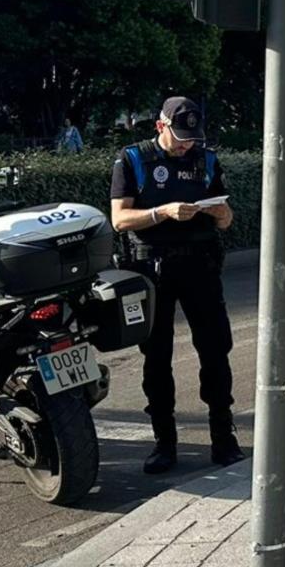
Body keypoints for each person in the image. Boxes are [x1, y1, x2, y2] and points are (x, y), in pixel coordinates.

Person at [108, 97, 241, 474]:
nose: (186, 145)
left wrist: (220, 212)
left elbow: (227, 221)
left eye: (192, 138)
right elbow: (119, 220)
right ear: (160, 126)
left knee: (215, 349)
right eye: (180, 137)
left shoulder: (206, 159)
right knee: (157, 355)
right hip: (153, 267)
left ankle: (223, 437)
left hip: (201, 264)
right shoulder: (132, 159)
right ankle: (164, 442)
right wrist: (162, 213)